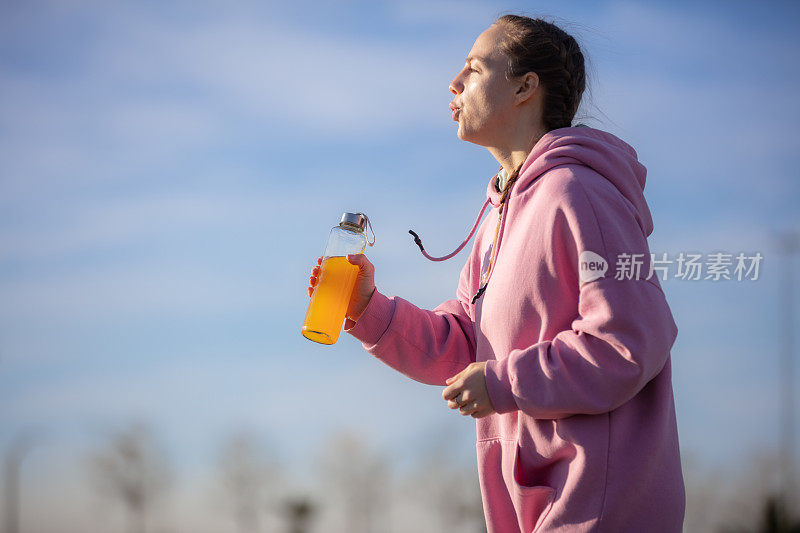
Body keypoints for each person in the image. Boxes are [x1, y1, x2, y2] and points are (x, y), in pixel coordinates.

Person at [307, 14, 684, 533]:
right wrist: (369, 309)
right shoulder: (497, 219)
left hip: (597, 509)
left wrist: (505, 381)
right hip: (531, 511)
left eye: (475, 69)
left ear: (526, 87)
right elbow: (466, 345)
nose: (454, 83)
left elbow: (628, 340)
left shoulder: (579, 192)